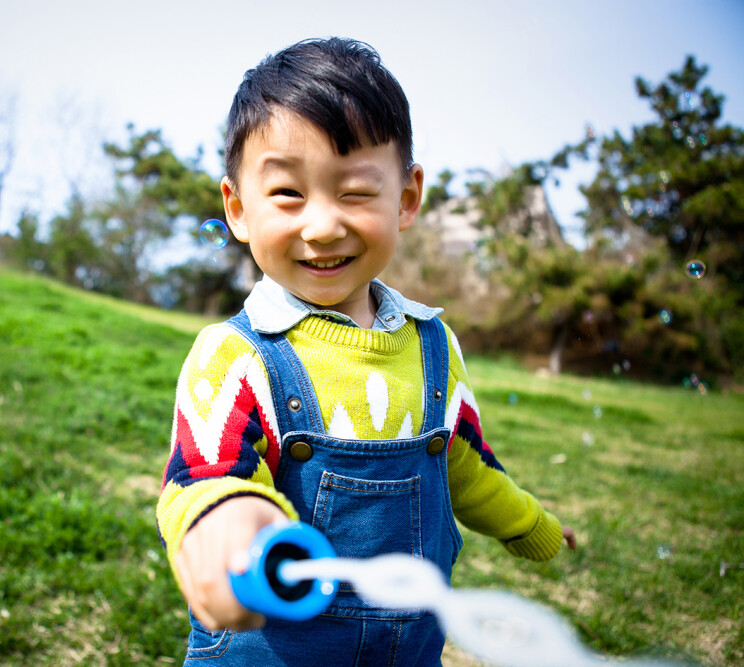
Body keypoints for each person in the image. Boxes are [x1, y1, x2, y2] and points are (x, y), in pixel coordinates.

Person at [156, 36, 577, 665]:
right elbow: (201, 479)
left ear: (406, 198)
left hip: (406, 651)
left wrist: (530, 524)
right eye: (288, 195)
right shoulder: (235, 356)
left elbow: (464, 464)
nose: (323, 225)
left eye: (354, 191)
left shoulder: (433, 345)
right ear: (238, 209)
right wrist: (226, 523)